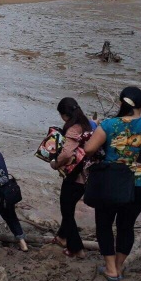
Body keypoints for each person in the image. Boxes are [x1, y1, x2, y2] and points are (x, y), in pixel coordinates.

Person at [84, 86, 141, 281]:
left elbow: (89, 149)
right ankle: (118, 265)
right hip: (138, 185)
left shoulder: (108, 125)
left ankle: (110, 269)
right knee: (126, 226)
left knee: (104, 225)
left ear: (120, 103)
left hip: (109, 183)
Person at [49, 97, 94, 259]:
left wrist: (55, 163)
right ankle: (62, 237)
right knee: (69, 206)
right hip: (87, 175)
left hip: (75, 176)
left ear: (64, 115)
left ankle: (76, 248)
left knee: (66, 210)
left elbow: (67, 153)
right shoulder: (88, 124)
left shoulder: (73, 129)